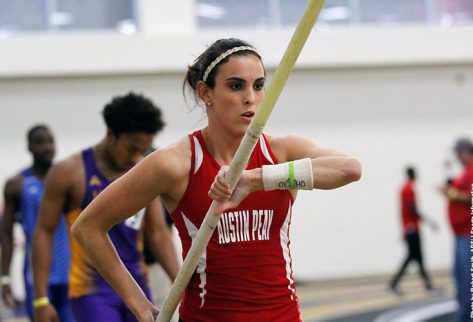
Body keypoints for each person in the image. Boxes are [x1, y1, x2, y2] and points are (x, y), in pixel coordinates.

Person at [71, 38, 362, 322]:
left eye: (259, 86)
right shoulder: (176, 163)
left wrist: (255, 179)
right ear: (205, 92)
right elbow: (88, 227)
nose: (251, 98)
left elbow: (349, 169)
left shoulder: (280, 152)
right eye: (236, 86)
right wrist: (141, 306)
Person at [31, 93, 179, 322]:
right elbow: (44, 231)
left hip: (138, 284)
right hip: (92, 291)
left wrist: (181, 284)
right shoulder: (69, 172)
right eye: (131, 147)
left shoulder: (143, 170)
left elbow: (158, 234)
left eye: (142, 149)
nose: (136, 156)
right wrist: (41, 299)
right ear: (111, 133)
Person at [1, 125, 74, 322]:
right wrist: (5, 278)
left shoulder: (68, 179)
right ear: (29, 147)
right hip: (37, 274)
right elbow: (6, 234)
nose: (47, 147)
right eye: (40, 142)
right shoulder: (17, 184)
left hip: (71, 271)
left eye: (50, 141)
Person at [440, 138, 473, 322]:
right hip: (463, 235)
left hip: (471, 235)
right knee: (464, 283)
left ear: (466, 151)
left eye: (458, 152)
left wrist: (453, 194)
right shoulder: (468, 171)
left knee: (472, 284)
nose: (456, 156)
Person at [389, 166, 435, 294]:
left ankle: (427, 284)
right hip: (412, 228)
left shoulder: (405, 188)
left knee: (416, 257)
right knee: (414, 256)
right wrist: (429, 222)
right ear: (412, 174)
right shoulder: (409, 189)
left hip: (409, 227)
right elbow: (411, 208)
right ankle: (394, 283)